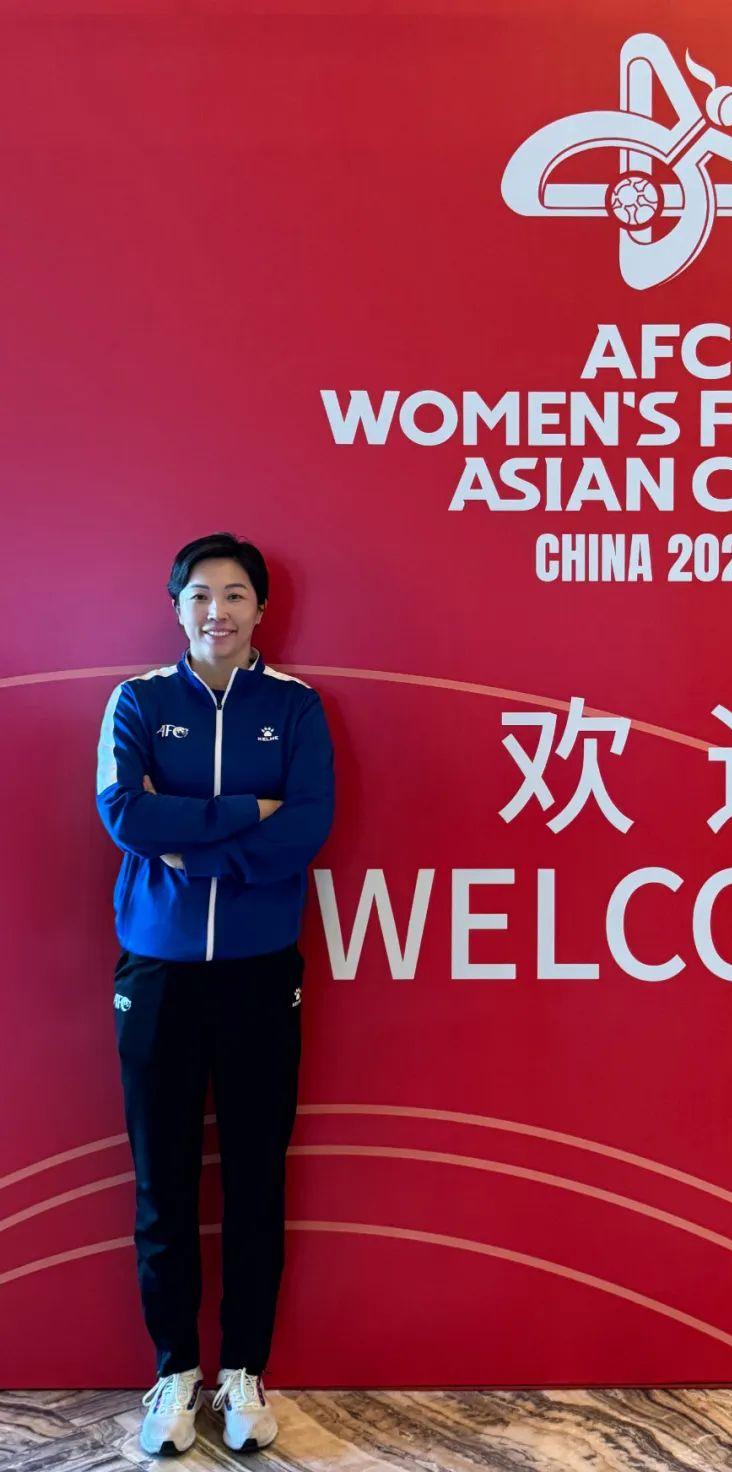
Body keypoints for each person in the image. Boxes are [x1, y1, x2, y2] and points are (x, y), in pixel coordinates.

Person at [95, 532, 335, 1456]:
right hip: (157, 970)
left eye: (235, 595)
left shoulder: (296, 707)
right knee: (161, 1182)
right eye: (200, 594)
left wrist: (189, 846)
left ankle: (242, 1373)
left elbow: (306, 825)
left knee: (255, 1178)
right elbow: (124, 812)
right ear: (177, 607)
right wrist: (243, 815)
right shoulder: (139, 701)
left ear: (261, 609)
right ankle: (172, 1373)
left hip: (258, 972)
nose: (217, 612)